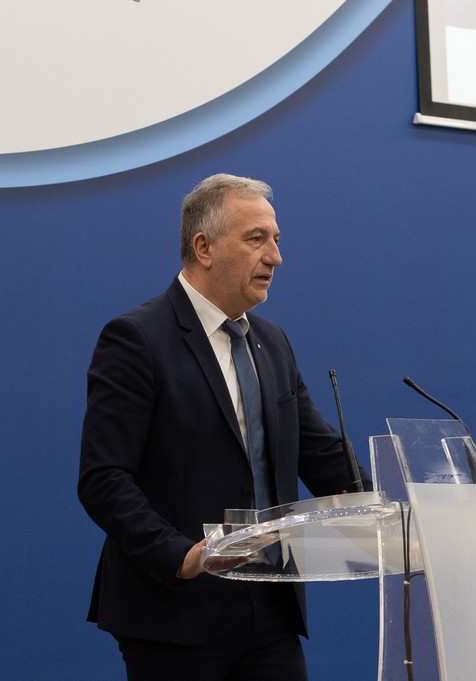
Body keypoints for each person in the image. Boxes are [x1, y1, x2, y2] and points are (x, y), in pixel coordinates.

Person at [78, 174, 362, 681]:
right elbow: (104, 479)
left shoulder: (272, 343)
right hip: (176, 611)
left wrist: (400, 510)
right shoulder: (137, 339)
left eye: (276, 240)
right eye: (257, 239)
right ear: (203, 247)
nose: (275, 257)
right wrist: (182, 556)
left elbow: (319, 454)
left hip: (270, 608)